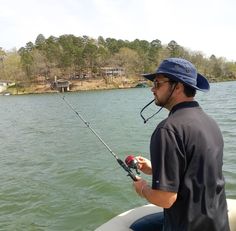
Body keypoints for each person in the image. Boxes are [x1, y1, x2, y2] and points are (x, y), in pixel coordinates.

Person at [131, 58, 230, 231]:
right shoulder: (210, 122)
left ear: (178, 87)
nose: (152, 89)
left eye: (157, 83)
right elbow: (198, 171)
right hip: (218, 223)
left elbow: (165, 199)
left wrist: (142, 188)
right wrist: (156, 169)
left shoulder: (167, 130)